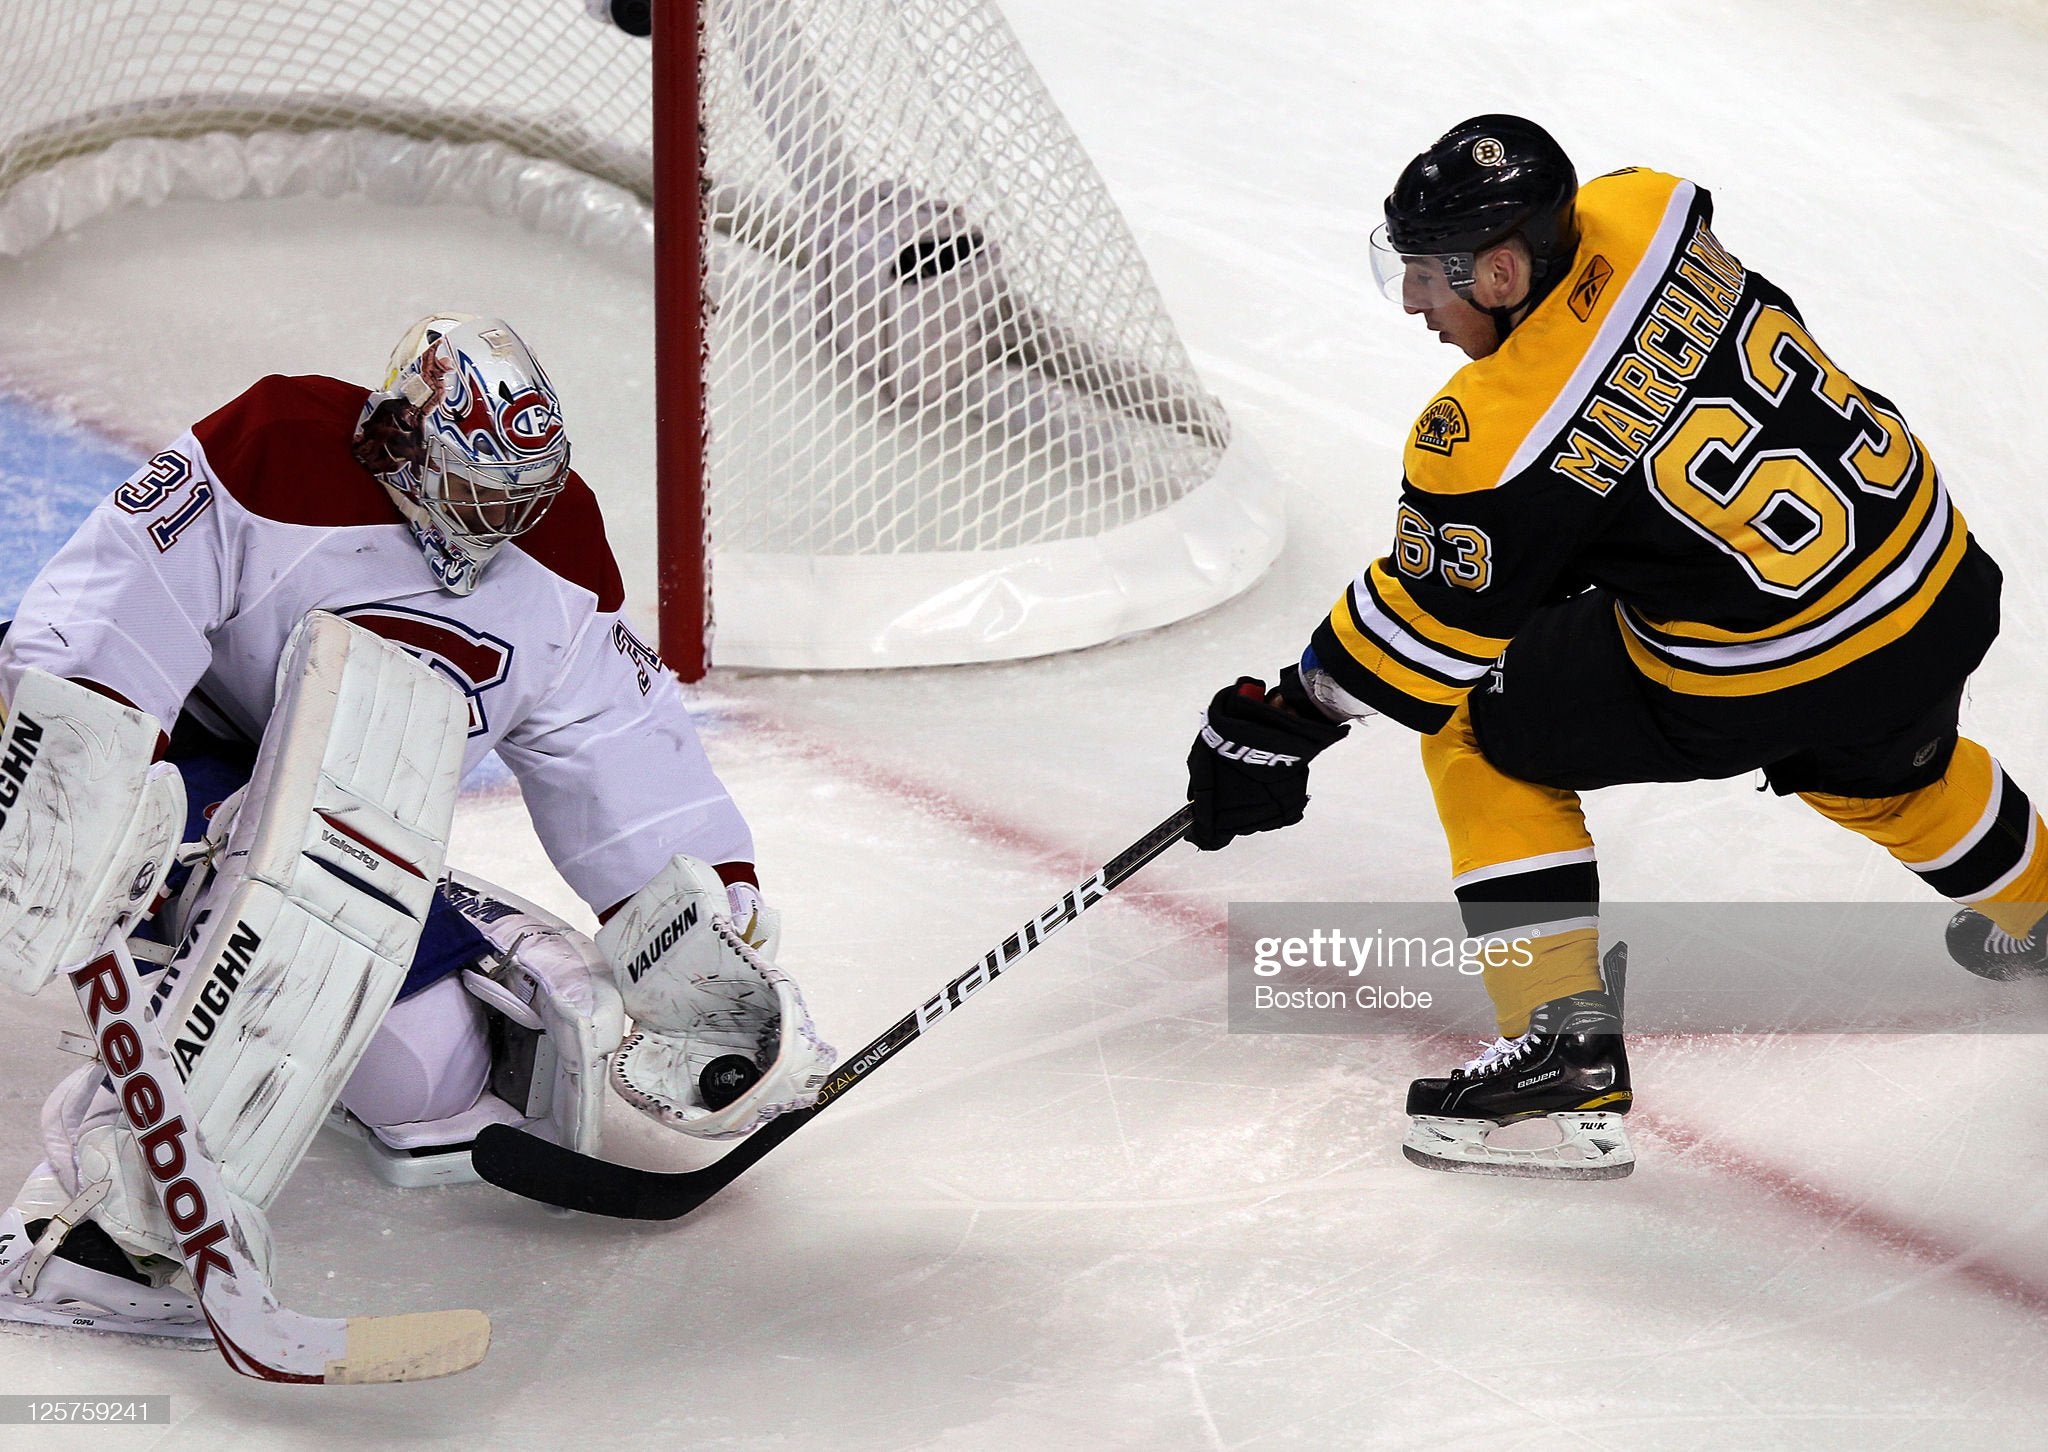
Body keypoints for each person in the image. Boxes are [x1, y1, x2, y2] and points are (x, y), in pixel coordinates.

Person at [1184, 115, 2047, 1180]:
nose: (1412, 303)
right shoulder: (1643, 211)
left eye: (1425, 275)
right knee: (1884, 775)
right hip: (1928, 572)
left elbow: (1424, 640)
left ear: (1501, 271)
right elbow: (1643, 411)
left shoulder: (1490, 433)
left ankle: (1560, 1063)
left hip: (1782, 654)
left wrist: (1283, 720)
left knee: (1474, 722)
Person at [0, 315, 835, 1337]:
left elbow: (619, 748)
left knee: (432, 1086)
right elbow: (116, 601)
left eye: (524, 494)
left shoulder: (558, 554)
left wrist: (707, 929)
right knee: (285, 939)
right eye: (483, 488)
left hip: (327, 812)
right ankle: (85, 1229)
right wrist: (85, 770)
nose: (505, 520)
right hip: (167, 749)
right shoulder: (278, 448)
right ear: (403, 438)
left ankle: (397, 934)